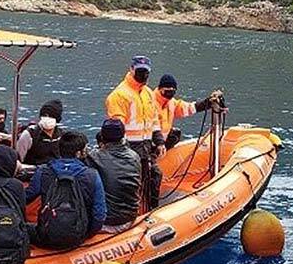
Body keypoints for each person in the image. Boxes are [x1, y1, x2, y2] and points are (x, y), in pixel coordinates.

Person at [25, 131, 106, 248]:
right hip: (79, 234)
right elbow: (99, 214)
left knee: (26, 228)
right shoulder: (92, 175)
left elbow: (26, 197)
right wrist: (88, 234)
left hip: (47, 233)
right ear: (79, 153)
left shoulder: (43, 171)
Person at [106, 56, 165, 212]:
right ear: (131, 69)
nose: (144, 75)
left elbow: (153, 119)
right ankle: (131, 212)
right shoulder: (119, 95)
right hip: (129, 147)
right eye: (140, 71)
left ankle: (151, 209)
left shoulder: (147, 93)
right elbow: (116, 127)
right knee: (131, 182)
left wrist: (159, 141)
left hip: (145, 146)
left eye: (146, 72)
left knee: (153, 176)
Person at [86, 119, 141, 232]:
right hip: (130, 215)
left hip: (106, 220)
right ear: (123, 135)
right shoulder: (134, 156)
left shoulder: (93, 157)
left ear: (102, 136)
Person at [154, 74, 222, 150]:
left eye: (172, 92)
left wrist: (206, 103)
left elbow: (188, 108)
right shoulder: (151, 103)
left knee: (175, 134)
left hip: (162, 142)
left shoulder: (171, 103)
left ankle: (165, 153)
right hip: (152, 143)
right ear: (160, 89)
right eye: (167, 91)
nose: (170, 94)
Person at [16, 100, 65, 166]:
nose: (47, 118)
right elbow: (19, 158)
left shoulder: (61, 135)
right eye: (45, 115)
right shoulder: (29, 134)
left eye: (51, 116)